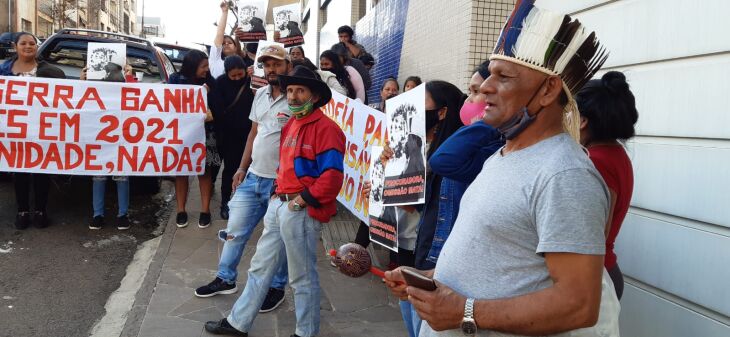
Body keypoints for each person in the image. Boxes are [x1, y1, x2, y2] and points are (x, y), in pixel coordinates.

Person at [384, 2, 620, 336]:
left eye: (503, 77)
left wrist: (465, 312)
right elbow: (499, 262)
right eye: (489, 74)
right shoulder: (502, 156)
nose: (485, 88)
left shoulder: (565, 175)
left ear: (549, 89)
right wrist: (431, 279)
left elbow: (578, 304)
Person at [205, 65, 345, 337]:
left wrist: (300, 202)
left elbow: (332, 177)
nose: (292, 96)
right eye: (290, 90)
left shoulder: (327, 129)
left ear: (314, 96)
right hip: (280, 203)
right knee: (260, 266)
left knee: (302, 277)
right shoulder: (293, 122)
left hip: (300, 209)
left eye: (300, 91)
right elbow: (285, 163)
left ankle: (305, 332)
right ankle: (238, 323)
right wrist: (279, 194)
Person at [194, 46, 292, 315]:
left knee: (278, 239)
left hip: (281, 184)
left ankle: (277, 287)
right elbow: (254, 133)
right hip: (253, 178)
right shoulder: (259, 94)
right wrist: (241, 168)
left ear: (288, 67)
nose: (272, 69)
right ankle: (225, 278)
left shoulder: (297, 98)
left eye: (277, 64)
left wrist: (288, 180)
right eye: (267, 64)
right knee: (234, 231)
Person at [577, 71, 638, 300]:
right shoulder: (615, 153)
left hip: (595, 276)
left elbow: (594, 233)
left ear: (582, 121)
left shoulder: (595, 161)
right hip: (604, 270)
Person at [0, 32, 65, 229]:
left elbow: (66, 92)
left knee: (41, 171)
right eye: (23, 43)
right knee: (19, 171)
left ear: (37, 47)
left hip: (41, 129)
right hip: (14, 130)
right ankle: (22, 211)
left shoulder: (48, 70)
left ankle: (40, 211)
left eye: (32, 43)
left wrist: (80, 81)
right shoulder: (4, 71)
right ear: (15, 45)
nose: (28, 46)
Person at [80, 64, 137, 230]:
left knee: (121, 176)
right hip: (100, 139)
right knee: (99, 176)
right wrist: (82, 82)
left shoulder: (126, 87)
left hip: (120, 139)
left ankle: (122, 214)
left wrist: (129, 78)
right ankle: (98, 214)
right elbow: (82, 102)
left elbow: (136, 99)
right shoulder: (95, 88)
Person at [169, 50, 220, 229]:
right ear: (192, 66)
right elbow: (168, 103)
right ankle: (180, 210)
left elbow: (217, 108)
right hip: (181, 134)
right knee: (181, 172)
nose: (207, 69)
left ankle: (205, 211)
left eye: (207, 66)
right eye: (203, 66)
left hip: (205, 134)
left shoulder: (210, 83)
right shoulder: (175, 80)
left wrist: (206, 95)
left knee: (204, 172)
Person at [208, 56, 255, 220]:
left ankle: (244, 203)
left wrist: (255, 77)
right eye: (233, 76)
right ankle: (226, 204)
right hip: (228, 135)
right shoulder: (219, 83)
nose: (236, 79)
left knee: (248, 171)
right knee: (230, 170)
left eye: (240, 75)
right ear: (226, 73)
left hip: (249, 133)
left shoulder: (252, 80)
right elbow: (215, 107)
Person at [211, 1, 247, 79]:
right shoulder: (215, 60)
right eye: (223, 43)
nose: (226, 44)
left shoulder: (243, 63)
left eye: (230, 42)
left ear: (235, 47)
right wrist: (224, 12)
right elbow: (220, 33)